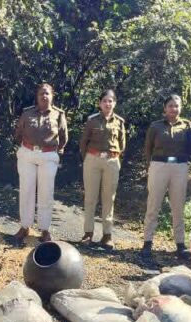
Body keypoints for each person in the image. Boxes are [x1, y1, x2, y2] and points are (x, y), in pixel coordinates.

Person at [13, 83, 68, 243]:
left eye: (47, 93)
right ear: (36, 97)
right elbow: (18, 133)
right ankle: (25, 226)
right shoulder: (27, 113)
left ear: (52, 96)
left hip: (48, 155)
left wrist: (56, 150)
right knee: (26, 190)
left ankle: (45, 229)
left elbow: (63, 137)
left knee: (46, 192)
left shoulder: (59, 115)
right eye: (41, 94)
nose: (44, 96)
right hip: (28, 154)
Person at [141, 95, 191, 259]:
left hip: (179, 167)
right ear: (165, 108)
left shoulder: (187, 126)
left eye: (176, 106)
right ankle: (147, 242)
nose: (173, 109)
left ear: (180, 108)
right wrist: (149, 166)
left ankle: (180, 244)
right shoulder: (155, 126)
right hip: (159, 165)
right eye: (170, 106)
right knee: (153, 204)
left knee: (178, 206)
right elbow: (148, 147)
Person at [79, 89, 126, 247]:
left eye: (110, 101)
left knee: (109, 199)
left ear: (114, 103)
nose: (107, 104)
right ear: (99, 103)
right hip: (93, 160)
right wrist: (88, 158)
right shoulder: (92, 120)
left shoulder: (119, 122)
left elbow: (122, 144)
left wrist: (114, 157)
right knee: (90, 198)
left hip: (111, 161)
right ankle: (88, 233)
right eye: (104, 101)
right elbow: (83, 142)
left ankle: (107, 235)